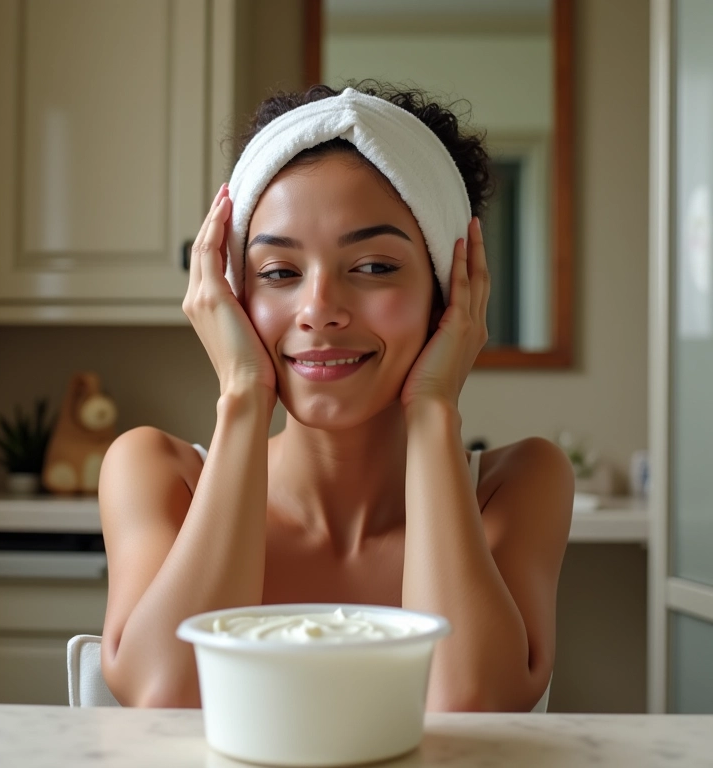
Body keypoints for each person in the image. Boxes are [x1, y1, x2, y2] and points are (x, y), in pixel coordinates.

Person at [98, 82, 574, 711]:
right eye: (278, 273)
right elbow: (168, 697)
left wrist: (434, 407)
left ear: (448, 291)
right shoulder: (157, 473)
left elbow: (467, 703)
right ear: (232, 295)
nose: (318, 310)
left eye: (374, 267)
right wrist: (243, 395)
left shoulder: (517, 486)